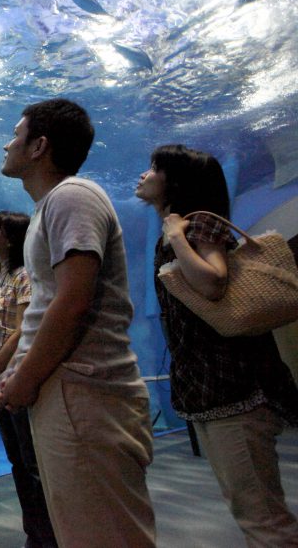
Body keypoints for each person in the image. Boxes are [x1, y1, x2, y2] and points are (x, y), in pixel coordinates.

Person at [0, 98, 155, 547]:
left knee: (102, 534)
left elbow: (72, 300)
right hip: (69, 391)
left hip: (85, 392)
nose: (7, 144)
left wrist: (24, 378)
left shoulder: (71, 196)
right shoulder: (52, 207)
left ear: (38, 146)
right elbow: (50, 303)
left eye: (16, 134)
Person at [136, 144, 298, 546]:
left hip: (235, 391)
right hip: (214, 392)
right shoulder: (180, 229)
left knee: (262, 515)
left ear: (174, 181)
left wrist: (176, 236)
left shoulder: (195, 226)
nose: (145, 174)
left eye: (154, 168)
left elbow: (212, 281)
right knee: (251, 507)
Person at [0, 211, 56, 548]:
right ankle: (33, 533)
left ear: (9, 238)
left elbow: (23, 329)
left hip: (12, 376)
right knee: (17, 461)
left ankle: (49, 536)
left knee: (32, 460)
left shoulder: (24, 275)